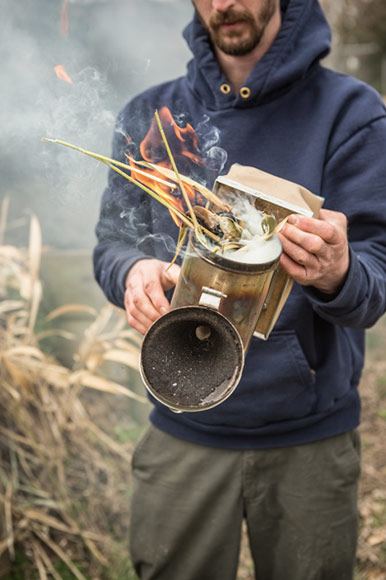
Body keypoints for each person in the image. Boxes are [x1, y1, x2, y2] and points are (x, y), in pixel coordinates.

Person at [93, 0, 386, 578]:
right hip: (182, 432)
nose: (224, 3)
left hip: (309, 440)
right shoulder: (150, 116)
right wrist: (131, 273)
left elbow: (377, 278)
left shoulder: (352, 114)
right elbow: (110, 244)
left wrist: (338, 271)